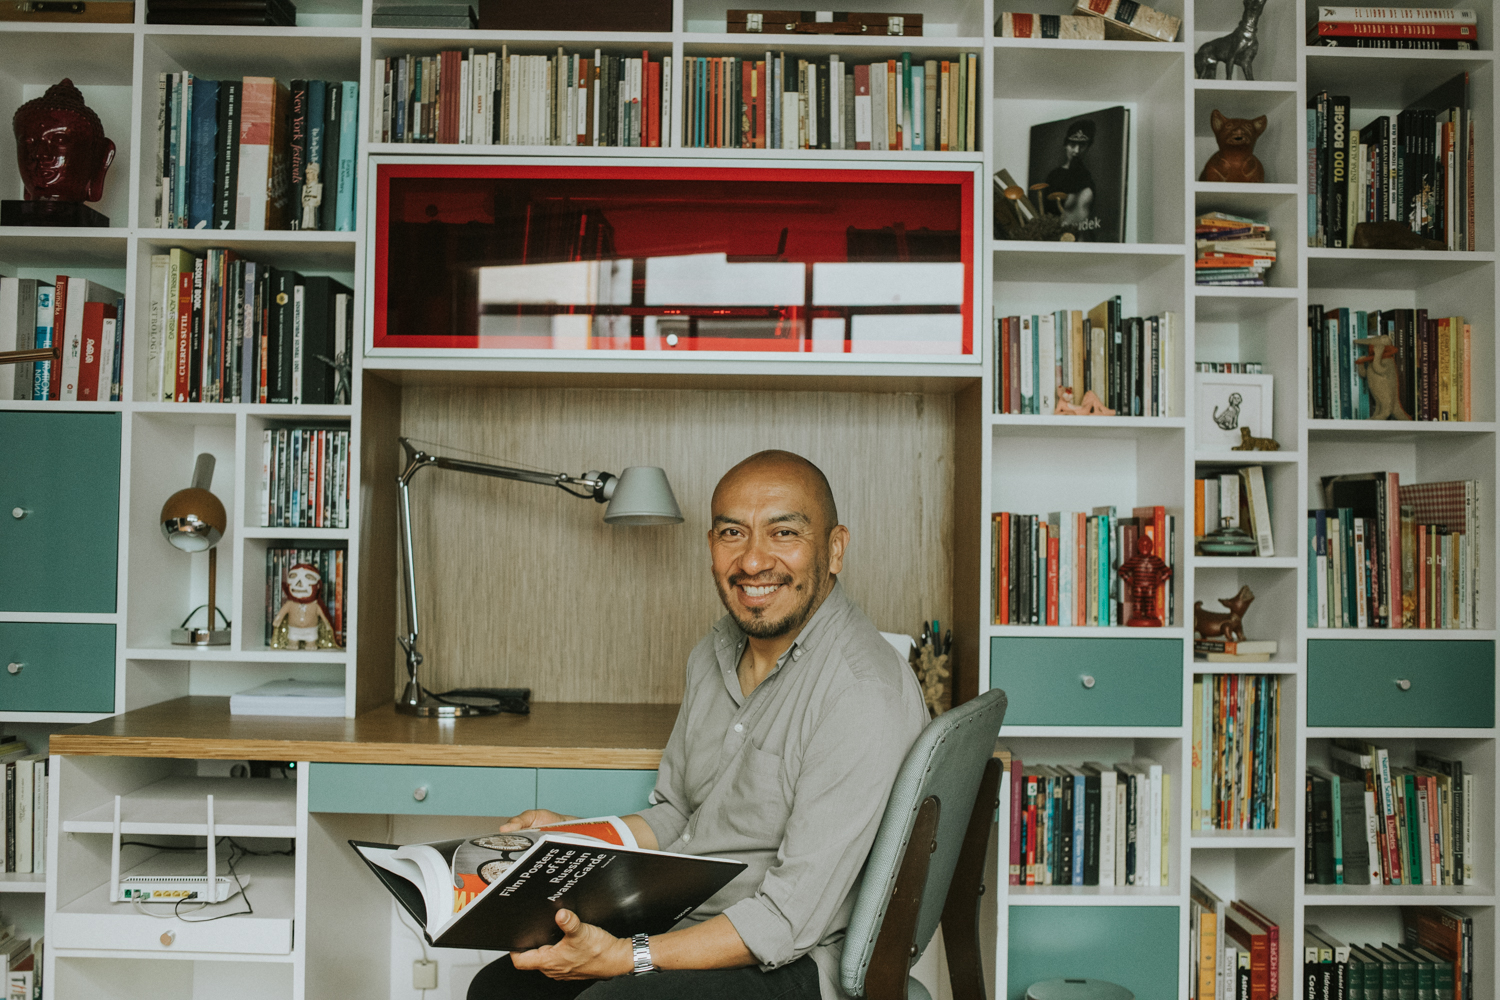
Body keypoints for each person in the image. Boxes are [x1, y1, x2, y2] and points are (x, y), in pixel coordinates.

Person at [467, 450, 929, 1000]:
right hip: (695, 917)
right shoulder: (713, 653)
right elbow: (681, 814)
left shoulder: (860, 694)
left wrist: (622, 958)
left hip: (797, 958)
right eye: (733, 533)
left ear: (834, 550)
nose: (754, 561)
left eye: (783, 533)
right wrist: (572, 835)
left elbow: (786, 921)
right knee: (500, 989)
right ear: (711, 547)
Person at [1043, 117, 1096, 236]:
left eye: (1082, 146)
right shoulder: (1054, 176)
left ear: (1088, 147)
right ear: (1065, 145)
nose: (1077, 151)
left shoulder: (1088, 178)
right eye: (1072, 145)